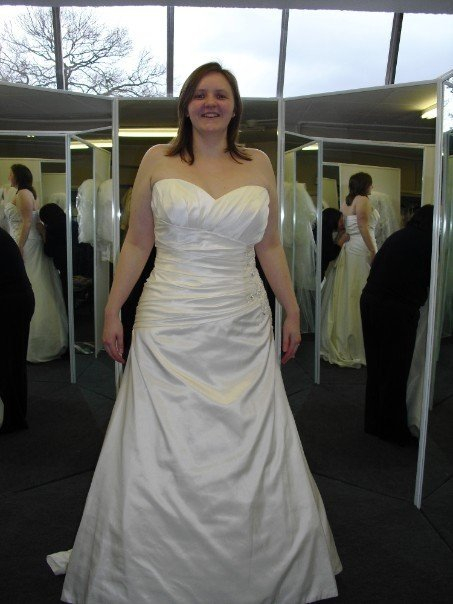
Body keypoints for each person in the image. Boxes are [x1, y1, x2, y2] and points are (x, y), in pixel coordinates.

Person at [56, 62, 341, 603]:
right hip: (170, 316)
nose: (211, 103)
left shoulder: (258, 163)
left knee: (248, 435)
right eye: (200, 94)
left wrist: (293, 310)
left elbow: (269, 245)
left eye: (221, 95)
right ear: (186, 105)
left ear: (235, 108)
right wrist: (113, 309)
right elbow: (138, 242)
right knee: (161, 437)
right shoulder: (157, 159)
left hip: (242, 319)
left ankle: (255, 557)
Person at [360, 204, 433, 445]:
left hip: (370, 301)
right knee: (396, 370)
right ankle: (392, 429)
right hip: (396, 309)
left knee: (377, 366)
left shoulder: (399, 236)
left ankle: (373, 422)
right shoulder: (428, 244)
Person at [4, 165, 68, 363]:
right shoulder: (25, 193)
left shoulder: (24, 193)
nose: (9, 175)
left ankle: (35, 341)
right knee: (34, 281)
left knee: (32, 282)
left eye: (11, 172)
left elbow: (27, 223)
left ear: (17, 175)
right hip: (25, 240)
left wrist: (19, 248)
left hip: (26, 243)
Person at [320, 172, 379, 368]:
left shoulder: (346, 203)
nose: (372, 187)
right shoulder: (362, 200)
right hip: (361, 248)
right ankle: (353, 343)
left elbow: (345, 229)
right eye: (370, 184)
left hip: (350, 248)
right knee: (358, 292)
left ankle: (342, 338)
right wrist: (373, 250)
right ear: (365, 185)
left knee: (346, 292)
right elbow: (362, 226)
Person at [0, 226, 34, 434]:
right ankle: (16, 413)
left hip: (11, 302)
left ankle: (14, 417)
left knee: (8, 362)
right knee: (12, 361)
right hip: (16, 298)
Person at [38, 203, 69, 310]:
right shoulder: (70, 223)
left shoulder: (52, 229)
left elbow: (49, 252)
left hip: (64, 264)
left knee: (65, 289)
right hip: (80, 263)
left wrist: (43, 233)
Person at [315, 207, 350, 281]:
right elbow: (331, 254)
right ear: (333, 220)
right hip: (316, 273)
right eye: (340, 221)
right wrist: (342, 241)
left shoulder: (321, 229)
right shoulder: (324, 233)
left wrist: (339, 236)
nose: (343, 224)